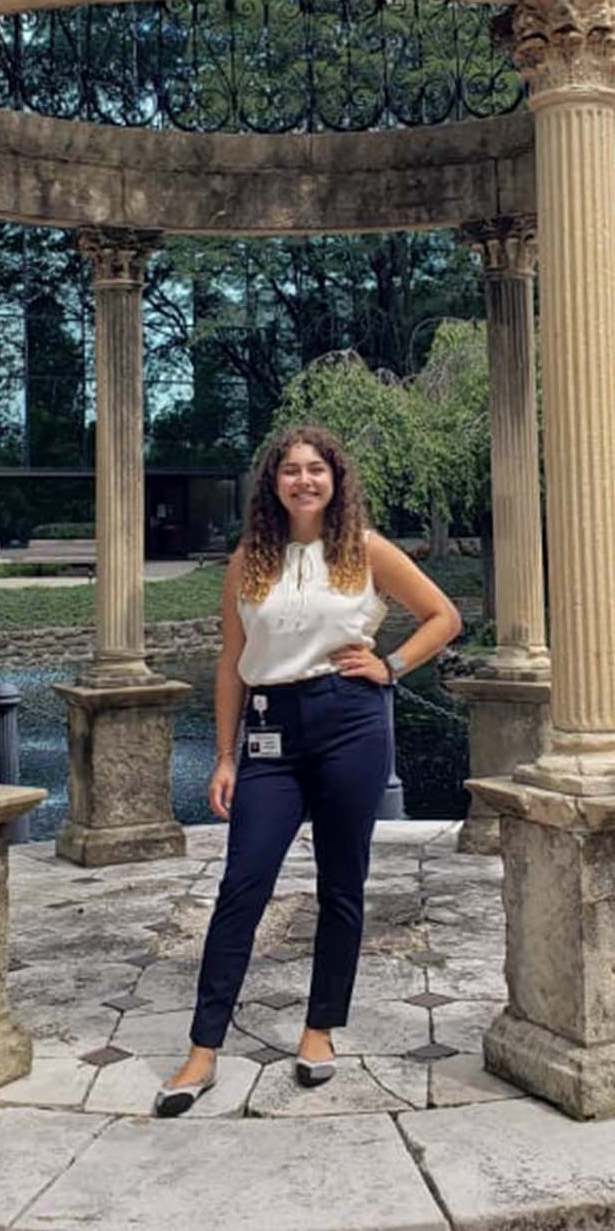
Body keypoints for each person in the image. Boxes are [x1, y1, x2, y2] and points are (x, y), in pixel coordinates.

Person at [153, 423, 462, 1116]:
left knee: (341, 884)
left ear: (335, 479)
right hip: (270, 731)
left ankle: (319, 1028)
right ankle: (203, 1049)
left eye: (315, 469)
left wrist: (391, 666)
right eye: (290, 470)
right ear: (273, 484)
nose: (303, 480)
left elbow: (443, 616)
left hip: (351, 717)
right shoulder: (248, 562)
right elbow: (232, 665)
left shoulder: (365, 551)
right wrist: (225, 754)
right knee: (243, 884)